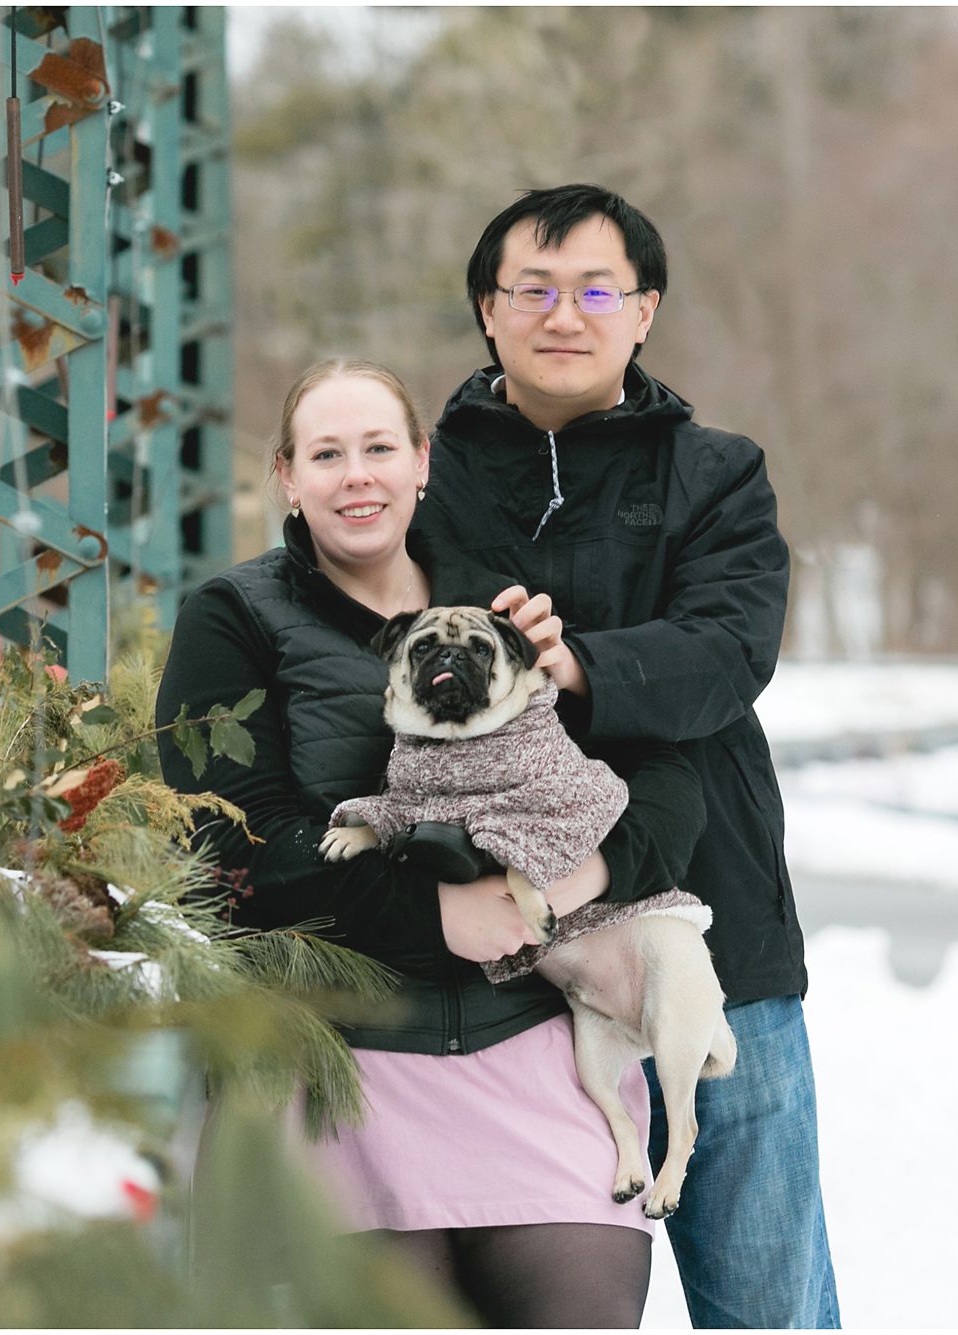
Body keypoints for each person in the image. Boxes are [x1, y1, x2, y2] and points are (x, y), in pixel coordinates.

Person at [153, 359, 707, 1328]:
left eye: (378, 449)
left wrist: (581, 875)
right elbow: (223, 848)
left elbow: (665, 782)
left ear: (420, 463)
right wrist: (437, 914)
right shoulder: (236, 616)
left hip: (534, 1042)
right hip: (350, 1056)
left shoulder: (517, 606)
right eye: (326, 454)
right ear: (286, 476)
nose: (354, 475)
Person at [412, 184, 841, 1329]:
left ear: (643, 311)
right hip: (490, 966)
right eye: (533, 290)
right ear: (486, 311)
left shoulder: (715, 473)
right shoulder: (419, 479)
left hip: (713, 932)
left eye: (597, 289)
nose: (566, 314)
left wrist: (571, 666)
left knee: (766, 1299)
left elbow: (726, 651)